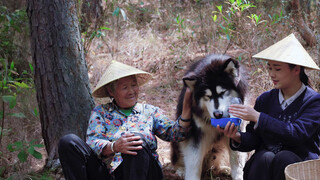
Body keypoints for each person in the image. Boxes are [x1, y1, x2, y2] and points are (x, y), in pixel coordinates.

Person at [58, 61, 192, 180]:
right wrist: (114, 146)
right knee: (68, 142)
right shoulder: (101, 112)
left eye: (134, 85)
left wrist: (186, 110)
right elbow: (93, 142)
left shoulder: (149, 111)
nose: (131, 91)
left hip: (146, 172)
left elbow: (175, 134)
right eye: (125, 87)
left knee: (135, 141)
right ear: (111, 91)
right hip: (109, 173)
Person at [218, 33, 320, 180]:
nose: (272, 74)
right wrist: (237, 136)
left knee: (284, 158)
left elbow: (296, 134)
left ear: (296, 70)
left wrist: (257, 116)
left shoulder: (313, 102)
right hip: (264, 167)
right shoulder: (265, 100)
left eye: (277, 69)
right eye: (269, 68)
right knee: (263, 157)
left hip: (298, 168)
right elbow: (255, 139)